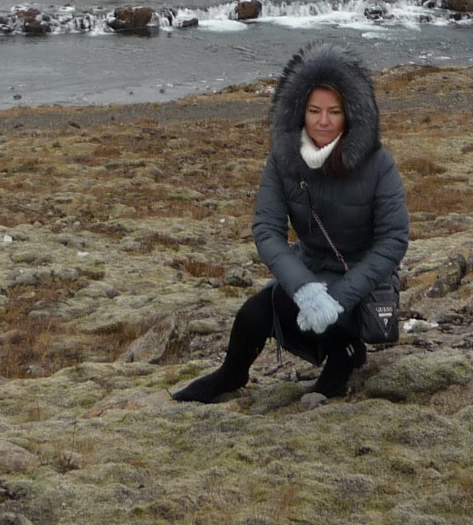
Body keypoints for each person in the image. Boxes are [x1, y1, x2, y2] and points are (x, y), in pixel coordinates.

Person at [172, 42, 409, 403]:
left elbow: (393, 239)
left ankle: (343, 359)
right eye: (314, 110)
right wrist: (304, 288)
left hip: (362, 278)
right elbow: (267, 230)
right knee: (258, 310)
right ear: (300, 111)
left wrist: (339, 296)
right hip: (312, 266)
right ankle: (232, 373)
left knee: (315, 308)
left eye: (334, 111)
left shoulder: (379, 163)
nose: (324, 121)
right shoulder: (283, 159)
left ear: (352, 113)